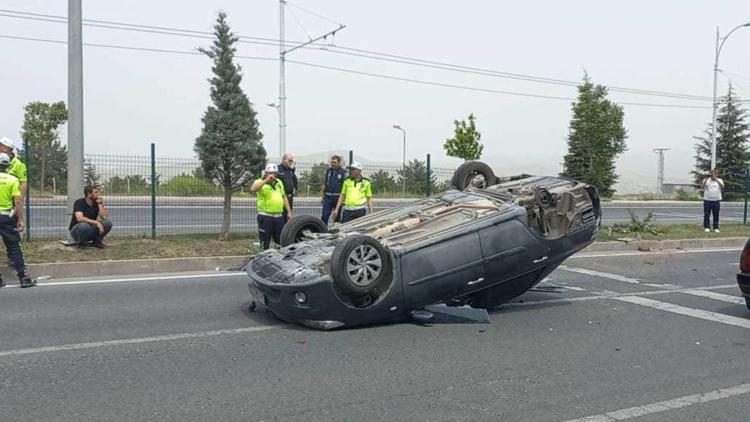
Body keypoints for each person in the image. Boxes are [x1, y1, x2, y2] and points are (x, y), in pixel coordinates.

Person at [0, 153, 34, 288]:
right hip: (7, 217)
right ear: (7, 166)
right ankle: (23, 278)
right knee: (14, 247)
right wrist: (21, 219)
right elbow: (18, 201)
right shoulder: (12, 180)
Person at [251, 163, 293, 250]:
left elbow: (284, 197)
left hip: (278, 216)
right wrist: (266, 181)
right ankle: (263, 255)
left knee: (279, 240)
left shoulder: (279, 182)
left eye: (274, 173)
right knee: (265, 240)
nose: (272, 175)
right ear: (266, 173)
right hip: (266, 216)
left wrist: (289, 211)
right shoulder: (260, 182)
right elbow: (253, 189)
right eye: (269, 173)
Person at [320, 155, 346, 225]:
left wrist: (344, 199)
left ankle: (335, 231)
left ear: (339, 163)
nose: (332, 164)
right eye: (332, 162)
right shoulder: (328, 171)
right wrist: (322, 197)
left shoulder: (343, 172)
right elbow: (324, 184)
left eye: (334, 162)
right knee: (325, 215)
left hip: (338, 197)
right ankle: (323, 230)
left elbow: (345, 187)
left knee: (336, 216)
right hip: (328, 197)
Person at [0, 137, 27, 202]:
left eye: (0, 145)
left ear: (6, 148)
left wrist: (20, 200)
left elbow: (23, 182)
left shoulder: (18, 164)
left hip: (11, 199)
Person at [702, 169, 724, 233]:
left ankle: (716, 227)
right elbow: (702, 186)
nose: (713, 175)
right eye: (712, 174)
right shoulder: (706, 180)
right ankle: (707, 227)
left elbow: (722, 186)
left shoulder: (720, 180)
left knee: (716, 214)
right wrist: (706, 178)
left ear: (717, 174)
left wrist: (716, 179)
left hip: (716, 200)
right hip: (707, 200)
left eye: (715, 174)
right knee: (707, 215)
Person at [277, 153, 298, 220]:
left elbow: (295, 180)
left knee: (288, 216)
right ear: (284, 160)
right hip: (281, 197)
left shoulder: (290, 171)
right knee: (281, 217)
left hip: (289, 197)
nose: (291, 162)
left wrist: (295, 188)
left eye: (292, 161)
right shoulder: (278, 169)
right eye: (290, 160)